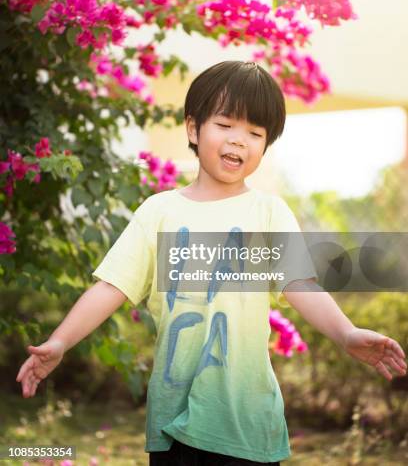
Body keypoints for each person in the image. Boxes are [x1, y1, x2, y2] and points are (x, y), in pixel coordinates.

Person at [16, 60, 407, 465]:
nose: (239, 141)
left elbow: (300, 284)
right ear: (193, 128)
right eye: (225, 125)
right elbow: (112, 285)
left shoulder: (268, 212)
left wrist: (345, 333)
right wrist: (60, 341)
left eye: (255, 133)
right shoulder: (159, 212)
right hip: (173, 421)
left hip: (246, 422)